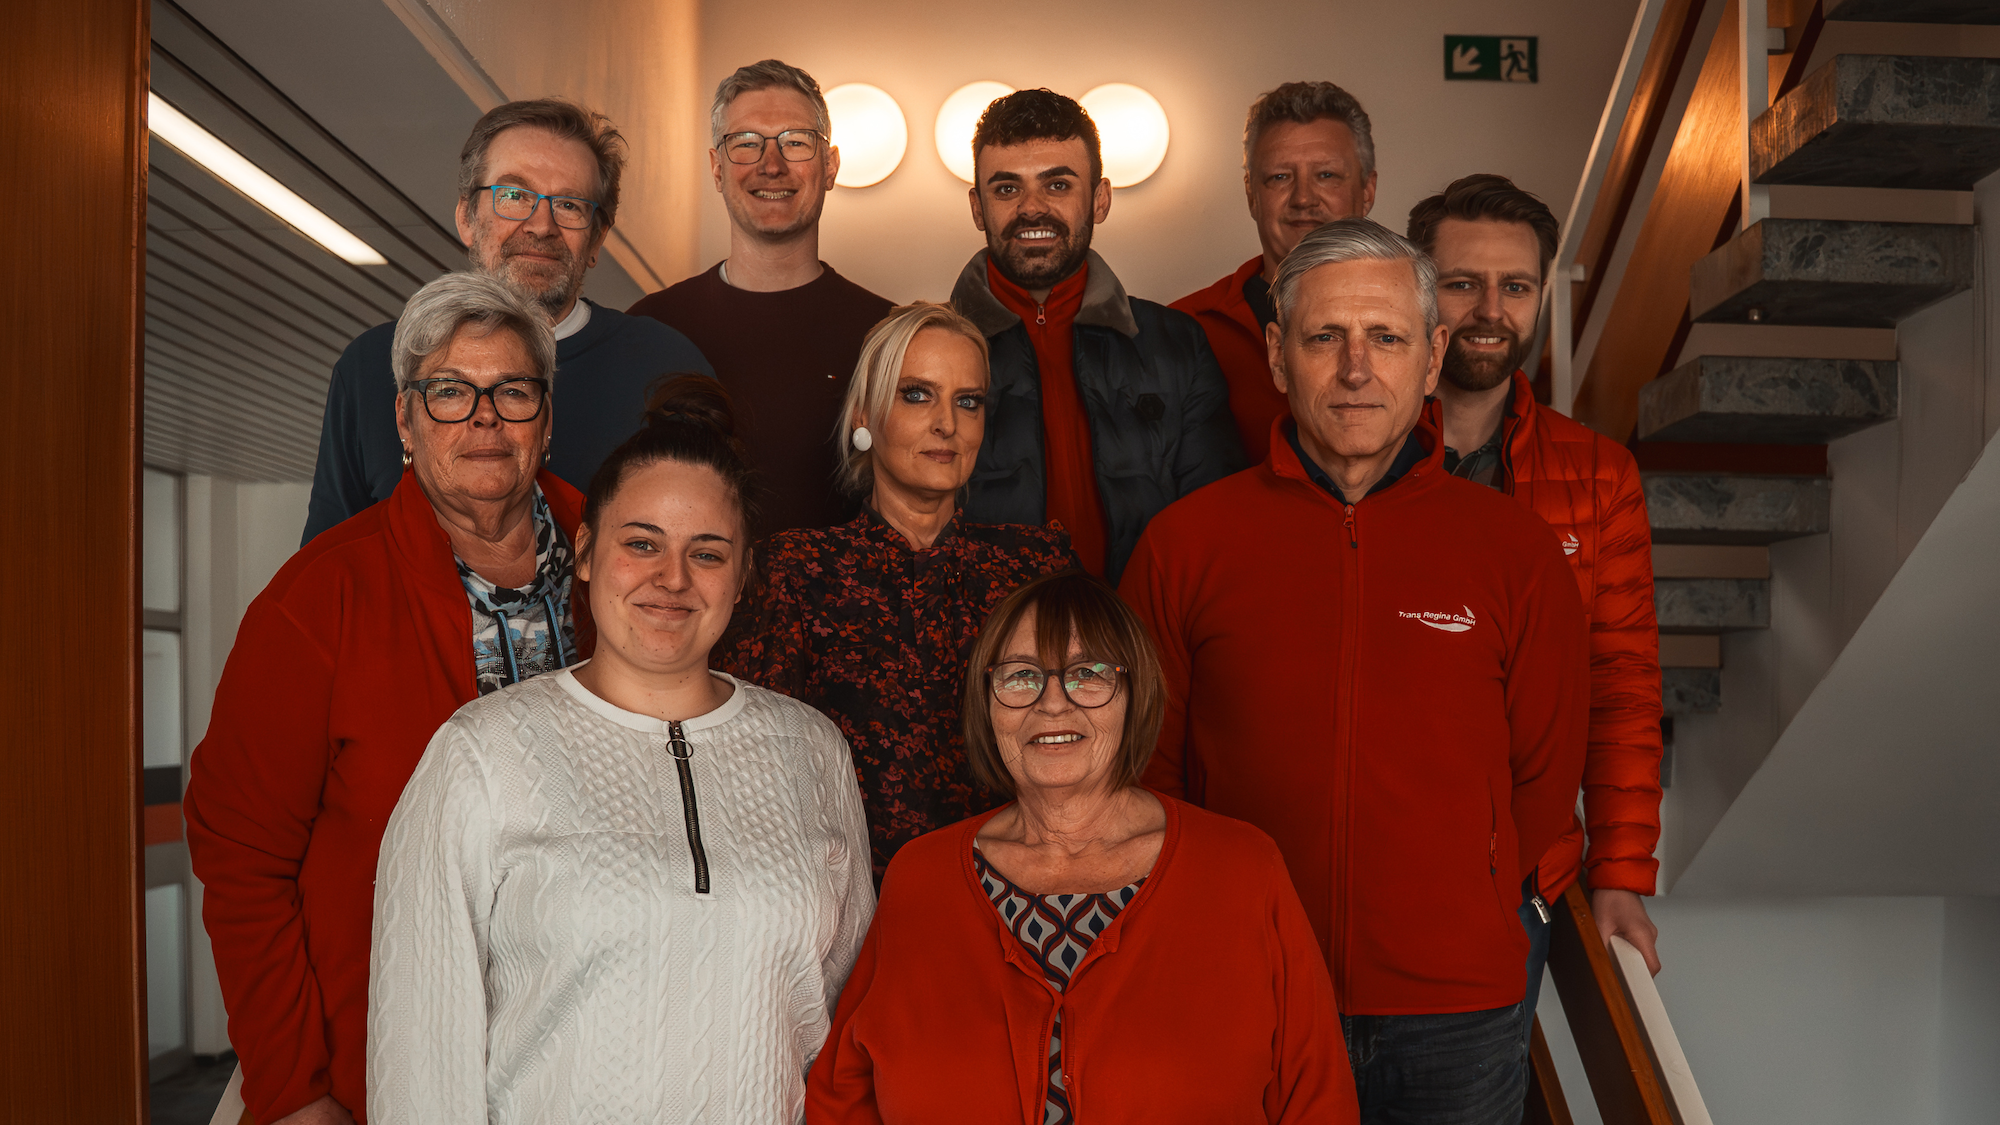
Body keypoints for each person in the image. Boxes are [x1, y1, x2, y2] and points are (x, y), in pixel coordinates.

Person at [1120, 219, 1588, 1124]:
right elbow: (1146, 770)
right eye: (1325, 337)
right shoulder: (1186, 545)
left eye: (1386, 337)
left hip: (1457, 1006)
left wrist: (1484, 905)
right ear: (1277, 355)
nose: (1355, 368)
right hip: (1245, 984)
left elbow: (1545, 768)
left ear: (1432, 356)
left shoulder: (1515, 552)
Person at [369, 375, 874, 1124]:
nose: (673, 579)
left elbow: (843, 1024)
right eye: (642, 544)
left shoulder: (812, 752)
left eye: (708, 553)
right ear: (584, 552)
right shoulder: (482, 755)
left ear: (743, 576)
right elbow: (421, 1054)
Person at [186, 273, 591, 1125]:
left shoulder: (622, 567)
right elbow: (242, 860)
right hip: (379, 1063)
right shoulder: (318, 598)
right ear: (405, 422)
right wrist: (293, 1088)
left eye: (512, 391)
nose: (484, 417)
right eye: (450, 391)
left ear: (547, 418)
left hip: (584, 1058)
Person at [807, 570, 1358, 1124]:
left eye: (1087, 673)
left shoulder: (1242, 870)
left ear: (1134, 692)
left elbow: (1317, 1101)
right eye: (1022, 675)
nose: (1053, 704)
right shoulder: (921, 878)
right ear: (987, 702)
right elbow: (843, 1095)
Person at [1405, 175, 1664, 1023]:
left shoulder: (1599, 475)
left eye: (1515, 286)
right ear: (1418, 289)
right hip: (1372, 856)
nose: (1490, 310)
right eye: (1462, 283)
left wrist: (1620, 873)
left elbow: (1621, 685)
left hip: (1521, 873)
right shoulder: (1357, 454)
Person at [719, 302, 1076, 880]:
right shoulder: (795, 570)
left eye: (968, 401)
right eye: (917, 395)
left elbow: (1088, 746)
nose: (947, 424)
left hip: (1021, 893)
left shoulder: (1037, 566)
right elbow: (750, 772)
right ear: (865, 413)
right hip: (851, 901)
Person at [304, 98, 712, 544]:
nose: (541, 226)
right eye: (514, 196)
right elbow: (324, 561)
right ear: (467, 218)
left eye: (570, 205)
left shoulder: (665, 368)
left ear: (597, 239)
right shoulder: (371, 366)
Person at [949, 88, 1243, 584]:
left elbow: (1215, 527)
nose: (1032, 209)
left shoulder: (1177, 345)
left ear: (1100, 199)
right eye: (1007, 189)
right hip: (985, 632)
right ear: (978, 208)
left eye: (1057, 185)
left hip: (1140, 626)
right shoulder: (926, 353)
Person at [629, 60, 894, 536]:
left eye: (795, 142)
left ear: (830, 165)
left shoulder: (887, 335)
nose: (771, 165)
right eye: (747, 143)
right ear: (717, 168)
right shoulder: (650, 327)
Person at [1172, 81, 1377, 463]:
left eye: (1326, 175)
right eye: (1280, 177)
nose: (1303, 198)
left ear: (1367, 190)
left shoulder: (1418, 324)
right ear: (1252, 194)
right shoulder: (1181, 330)